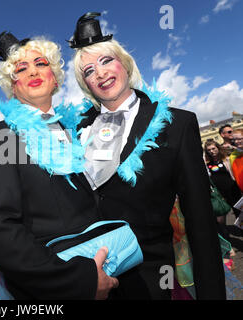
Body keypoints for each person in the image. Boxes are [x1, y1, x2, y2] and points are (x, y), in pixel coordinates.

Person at [69, 12, 225, 299]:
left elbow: (200, 221)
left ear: (125, 64)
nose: (100, 74)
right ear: (85, 84)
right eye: (89, 71)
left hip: (151, 281)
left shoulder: (176, 124)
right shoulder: (75, 131)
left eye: (106, 61)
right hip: (88, 282)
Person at [0, 32, 118, 299]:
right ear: (12, 85)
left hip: (110, 272)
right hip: (55, 291)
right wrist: (77, 281)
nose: (32, 72)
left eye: (41, 63)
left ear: (55, 77)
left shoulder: (77, 131)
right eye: (21, 69)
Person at [204, 140, 242, 215]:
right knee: (223, 215)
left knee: (239, 212)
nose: (211, 151)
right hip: (220, 194)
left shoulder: (227, 159)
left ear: (218, 148)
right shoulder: (207, 164)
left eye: (213, 148)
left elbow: (240, 152)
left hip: (233, 190)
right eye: (209, 150)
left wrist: (232, 147)